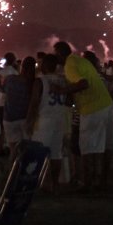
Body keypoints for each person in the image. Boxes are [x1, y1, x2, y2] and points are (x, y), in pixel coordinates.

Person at [55, 41, 113, 191]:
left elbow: (83, 84)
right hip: (106, 103)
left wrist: (62, 91)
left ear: (61, 54)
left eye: (56, 54)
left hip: (92, 107)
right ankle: (103, 180)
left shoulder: (69, 65)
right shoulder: (79, 60)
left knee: (87, 148)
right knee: (107, 145)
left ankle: (87, 183)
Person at [27, 53, 71, 193]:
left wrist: (29, 121)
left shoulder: (40, 81)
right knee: (56, 154)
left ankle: (36, 183)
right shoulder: (63, 81)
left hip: (43, 121)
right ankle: (55, 184)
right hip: (59, 119)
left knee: (37, 153)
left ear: (44, 65)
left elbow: (34, 103)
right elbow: (69, 101)